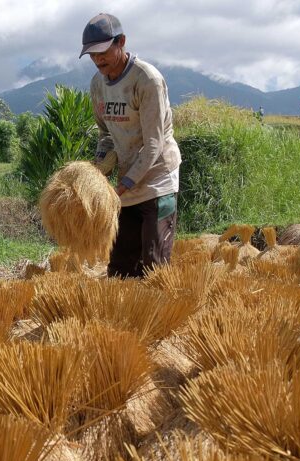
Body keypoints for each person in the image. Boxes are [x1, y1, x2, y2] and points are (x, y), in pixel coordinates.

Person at [81, 12, 181, 278]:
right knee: (121, 266)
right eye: (92, 55)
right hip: (126, 183)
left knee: (154, 264)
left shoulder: (147, 80)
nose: (98, 59)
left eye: (103, 51)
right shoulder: (97, 85)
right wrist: (99, 171)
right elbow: (105, 134)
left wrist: (121, 187)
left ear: (121, 41)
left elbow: (153, 145)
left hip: (157, 178)